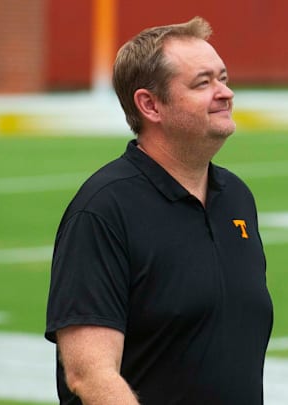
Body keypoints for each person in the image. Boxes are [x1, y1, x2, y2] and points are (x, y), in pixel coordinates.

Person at [45, 16, 273, 404]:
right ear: (150, 105)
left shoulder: (236, 196)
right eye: (203, 83)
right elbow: (90, 375)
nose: (225, 93)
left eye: (223, 78)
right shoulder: (104, 210)